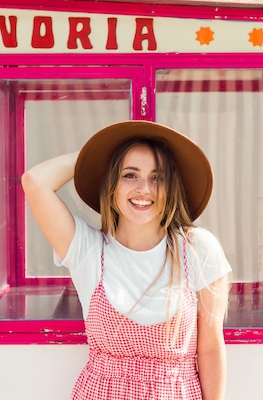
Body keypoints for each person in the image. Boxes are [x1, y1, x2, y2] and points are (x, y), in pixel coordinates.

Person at [21, 120, 231, 400]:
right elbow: (35, 181)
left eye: (157, 177)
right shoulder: (88, 250)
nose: (144, 188)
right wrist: (100, 155)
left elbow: (210, 348)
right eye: (129, 175)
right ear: (111, 184)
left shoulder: (197, 248)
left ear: (172, 187)